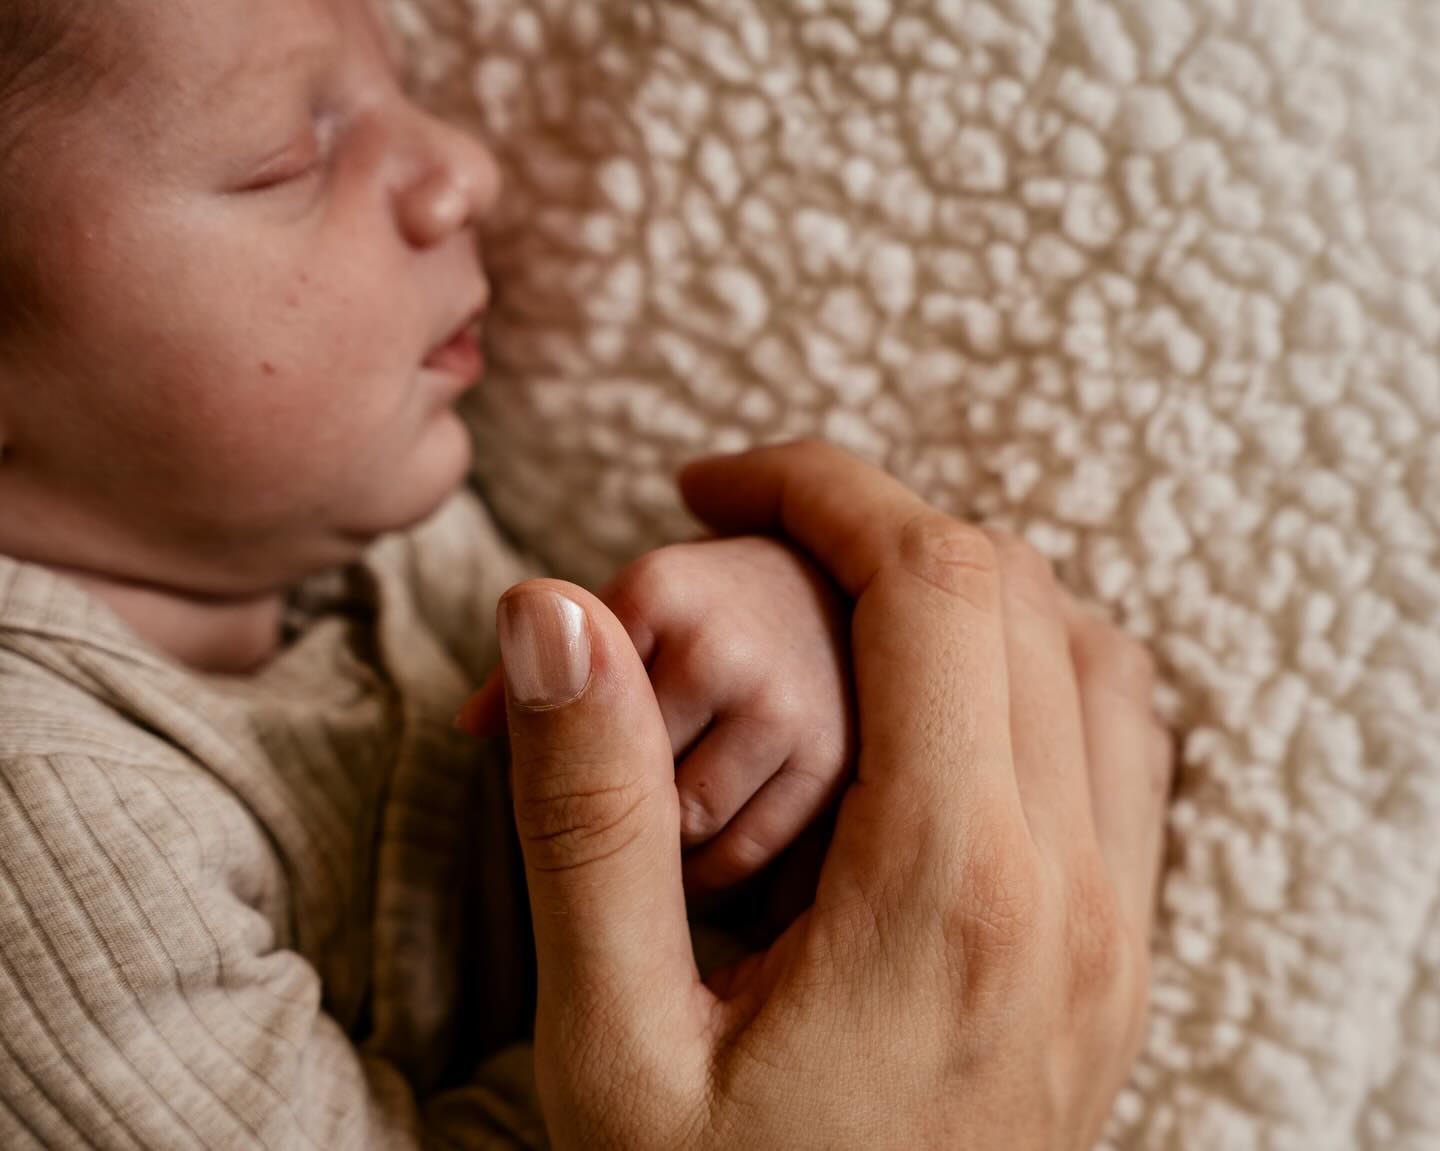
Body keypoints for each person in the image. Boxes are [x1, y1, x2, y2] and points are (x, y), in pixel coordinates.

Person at [0, 1, 1172, 1148]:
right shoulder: (38, 831)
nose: (463, 169)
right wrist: (750, 1002)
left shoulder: (337, 528)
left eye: (401, 83)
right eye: (289, 158)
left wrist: (780, 666)